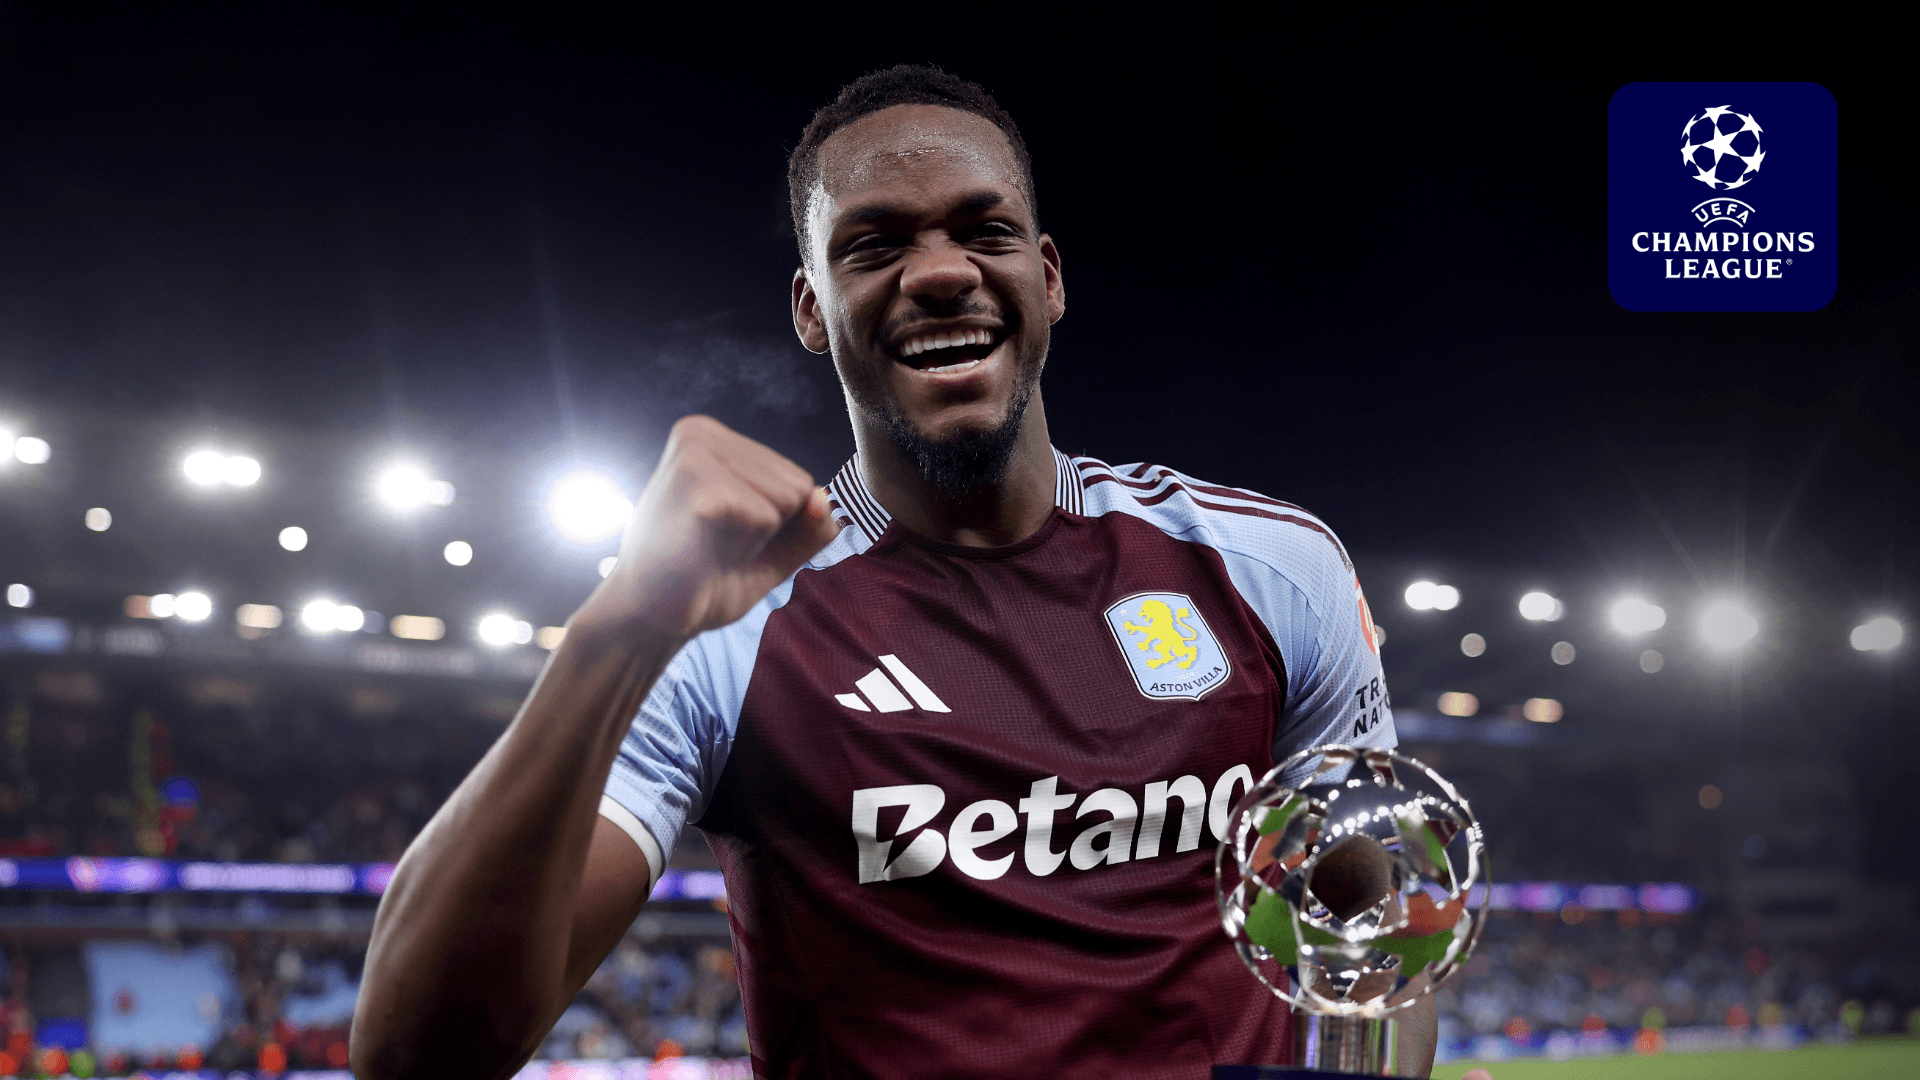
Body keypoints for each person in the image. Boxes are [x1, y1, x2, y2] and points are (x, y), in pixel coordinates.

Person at [353, 64, 1425, 1079]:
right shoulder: (724, 623)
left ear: (1048, 277)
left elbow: (1383, 934)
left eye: (985, 231)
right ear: (811, 310)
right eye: (873, 246)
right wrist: (617, 630)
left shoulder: (1271, 570)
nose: (943, 273)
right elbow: (416, 1059)